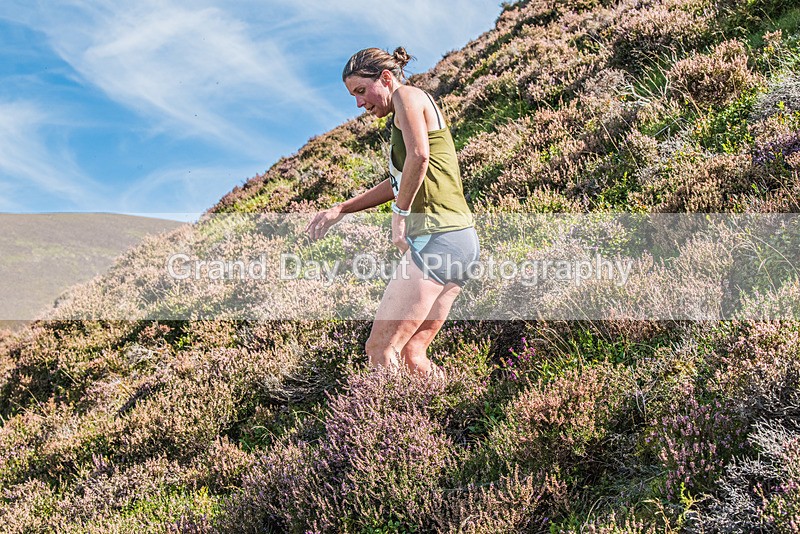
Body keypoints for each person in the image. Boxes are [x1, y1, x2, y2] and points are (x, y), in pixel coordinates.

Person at [306, 47, 479, 377]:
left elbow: (419, 156)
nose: (360, 103)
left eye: (361, 90)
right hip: (461, 240)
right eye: (354, 96)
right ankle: (441, 406)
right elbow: (400, 178)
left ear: (386, 78)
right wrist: (342, 208)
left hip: (438, 236)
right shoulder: (406, 110)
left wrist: (399, 215)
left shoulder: (406, 96)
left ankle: (388, 410)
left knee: (381, 348)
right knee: (413, 354)